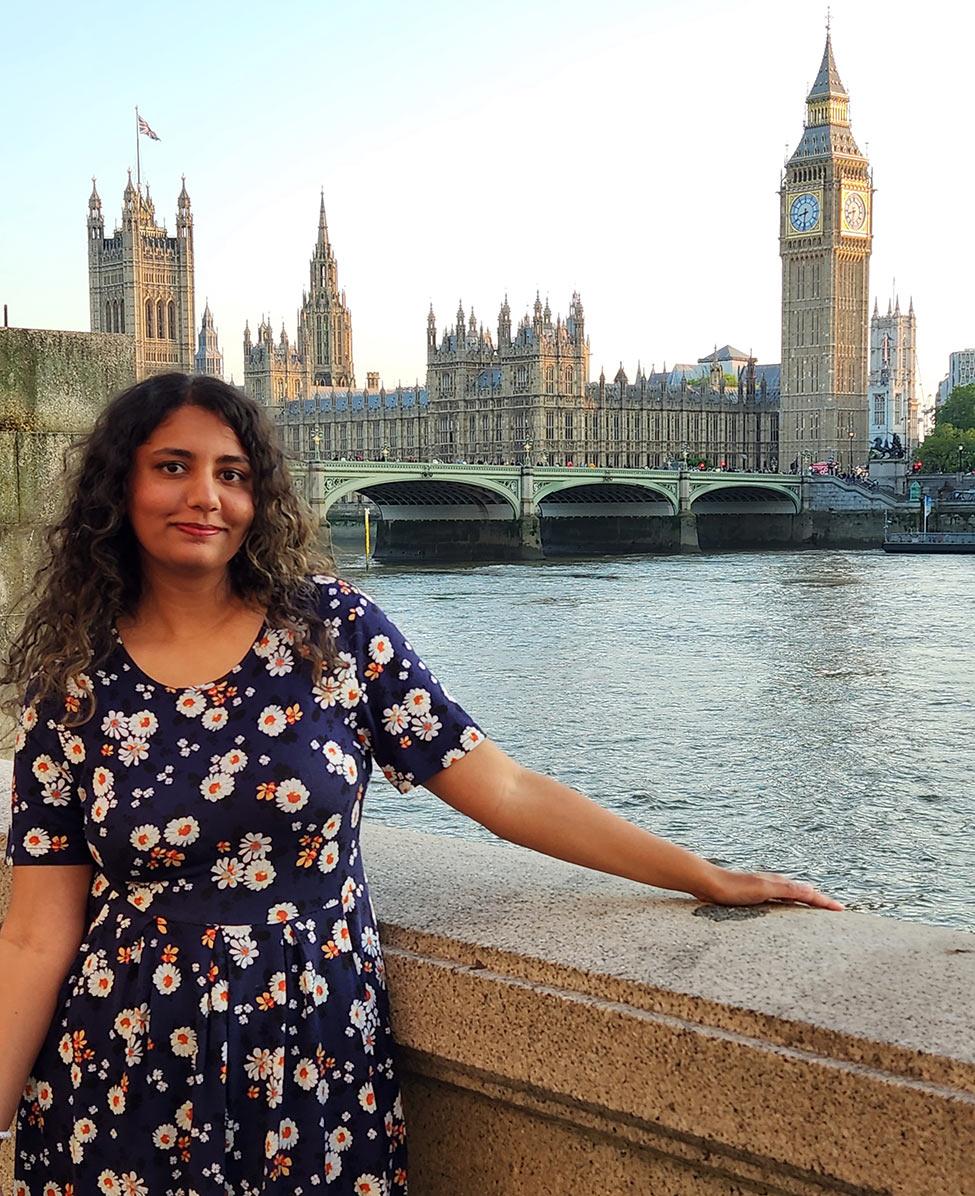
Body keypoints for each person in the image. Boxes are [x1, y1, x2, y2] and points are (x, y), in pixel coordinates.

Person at [0, 374, 841, 1193]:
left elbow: (504, 793)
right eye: (172, 467)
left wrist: (699, 874)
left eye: (233, 475)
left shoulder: (333, 632)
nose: (206, 498)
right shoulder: (74, 681)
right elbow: (36, 934)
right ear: (121, 486)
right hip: (121, 1057)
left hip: (313, 1043)